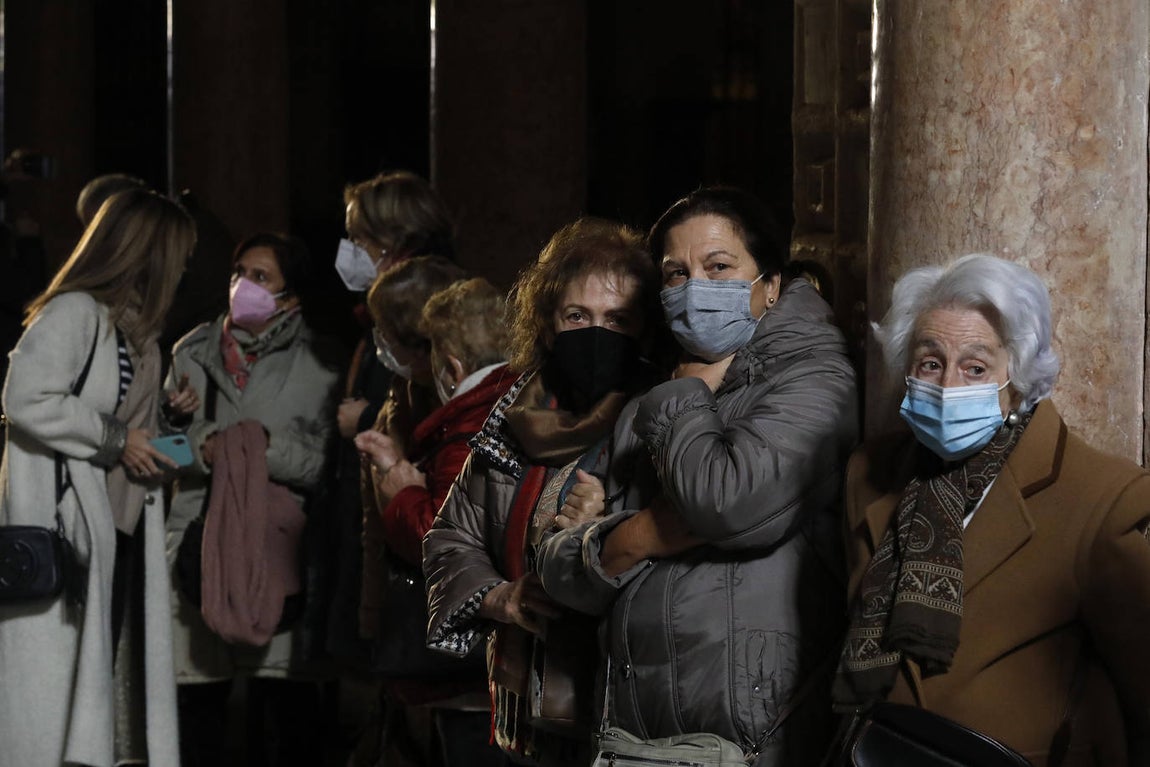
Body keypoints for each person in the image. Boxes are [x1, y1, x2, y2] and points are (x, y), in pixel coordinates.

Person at [536, 187, 859, 766]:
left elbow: (724, 505)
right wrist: (636, 537)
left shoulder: (814, 380)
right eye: (675, 274)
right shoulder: (650, 402)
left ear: (772, 284)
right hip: (634, 738)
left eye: (718, 267)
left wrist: (689, 395)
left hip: (748, 738)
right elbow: (560, 570)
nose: (696, 290)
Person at [834, 254, 1150, 764]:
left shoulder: (1100, 498)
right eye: (930, 362)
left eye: (975, 367)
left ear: (1018, 380)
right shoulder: (868, 476)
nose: (948, 387)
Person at [423, 218, 662, 766]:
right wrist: (501, 597)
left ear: (644, 328)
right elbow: (450, 534)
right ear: (549, 325)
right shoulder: (517, 412)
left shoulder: (664, 413)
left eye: (617, 319)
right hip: (524, 704)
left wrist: (599, 532)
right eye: (577, 316)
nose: (596, 333)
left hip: (620, 704)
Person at [0, 188, 196, 767]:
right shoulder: (75, 313)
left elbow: (132, 432)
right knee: (50, 700)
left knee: (96, 696)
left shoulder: (140, 334)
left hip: (116, 533)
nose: (187, 266)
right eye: (181, 252)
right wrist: (117, 439)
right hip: (67, 535)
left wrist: (166, 420)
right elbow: (26, 397)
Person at [164, 232, 341, 767]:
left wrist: (267, 450)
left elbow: (332, 464)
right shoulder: (190, 351)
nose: (243, 285)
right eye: (240, 271)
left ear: (292, 297)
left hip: (276, 554)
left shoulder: (323, 361)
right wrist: (196, 443)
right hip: (199, 549)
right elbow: (154, 446)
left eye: (261, 277)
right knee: (199, 705)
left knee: (286, 709)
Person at [355, 274, 516, 767]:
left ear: (450, 365)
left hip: (469, 676)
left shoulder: (468, 428)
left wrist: (399, 488)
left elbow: (443, 541)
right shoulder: (517, 403)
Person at [327, 170, 456, 673]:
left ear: (397, 235)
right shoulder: (380, 309)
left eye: (360, 238)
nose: (352, 249)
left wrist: (367, 420)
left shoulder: (428, 302)